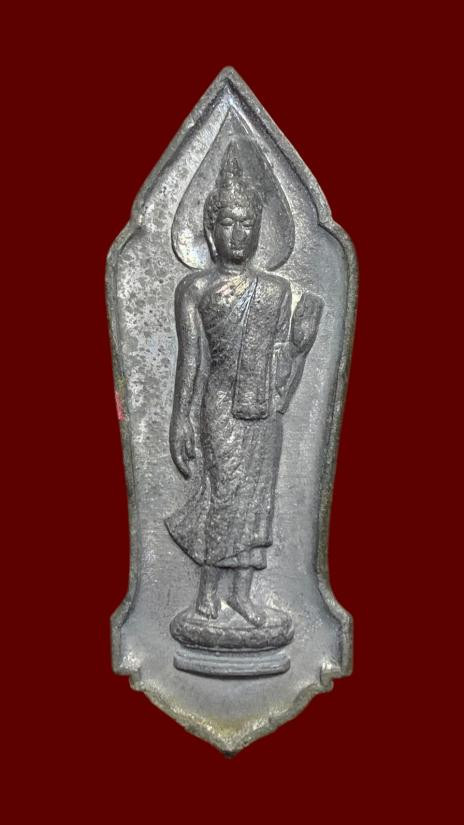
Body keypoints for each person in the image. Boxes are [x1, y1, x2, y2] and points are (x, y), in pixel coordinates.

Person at [165, 142, 322, 627]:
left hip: (263, 414)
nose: (238, 233)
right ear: (211, 232)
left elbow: (280, 375)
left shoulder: (276, 290)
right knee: (225, 492)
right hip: (219, 408)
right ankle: (208, 592)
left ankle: (243, 595)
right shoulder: (195, 288)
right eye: (228, 223)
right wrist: (180, 419)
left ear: (259, 229)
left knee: (257, 500)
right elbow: (192, 360)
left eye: (247, 223)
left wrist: (300, 347)